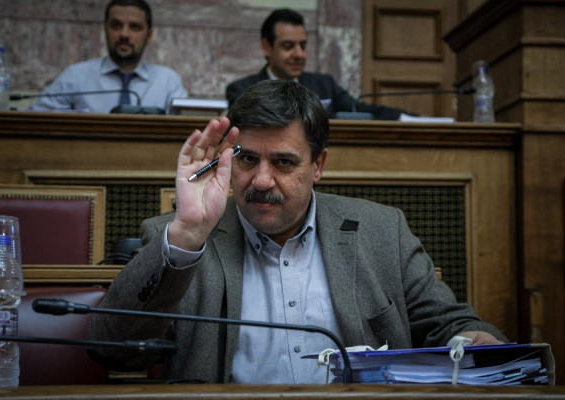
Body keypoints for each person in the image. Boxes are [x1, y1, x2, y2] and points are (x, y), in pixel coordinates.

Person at [87, 79, 506, 384]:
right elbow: (112, 350)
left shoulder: (381, 231)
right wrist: (186, 237)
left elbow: (449, 323)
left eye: (284, 162)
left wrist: (473, 339)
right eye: (247, 159)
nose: (261, 180)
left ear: (318, 165)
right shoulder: (182, 239)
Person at [225, 8, 409, 120]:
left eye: (303, 45)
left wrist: (409, 119)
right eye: (288, 46)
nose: (299, 54)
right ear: (267, 47)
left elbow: (361, 110)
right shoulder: (242, 90)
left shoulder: (325, 85)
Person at [28, 0, 186, 114]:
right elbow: (34, 121)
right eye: (116, 25)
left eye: (135, 27)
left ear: (149, 35)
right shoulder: (76, 76)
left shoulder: (168, 82)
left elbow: (186, 130)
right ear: (105, 30)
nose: (124, 34)